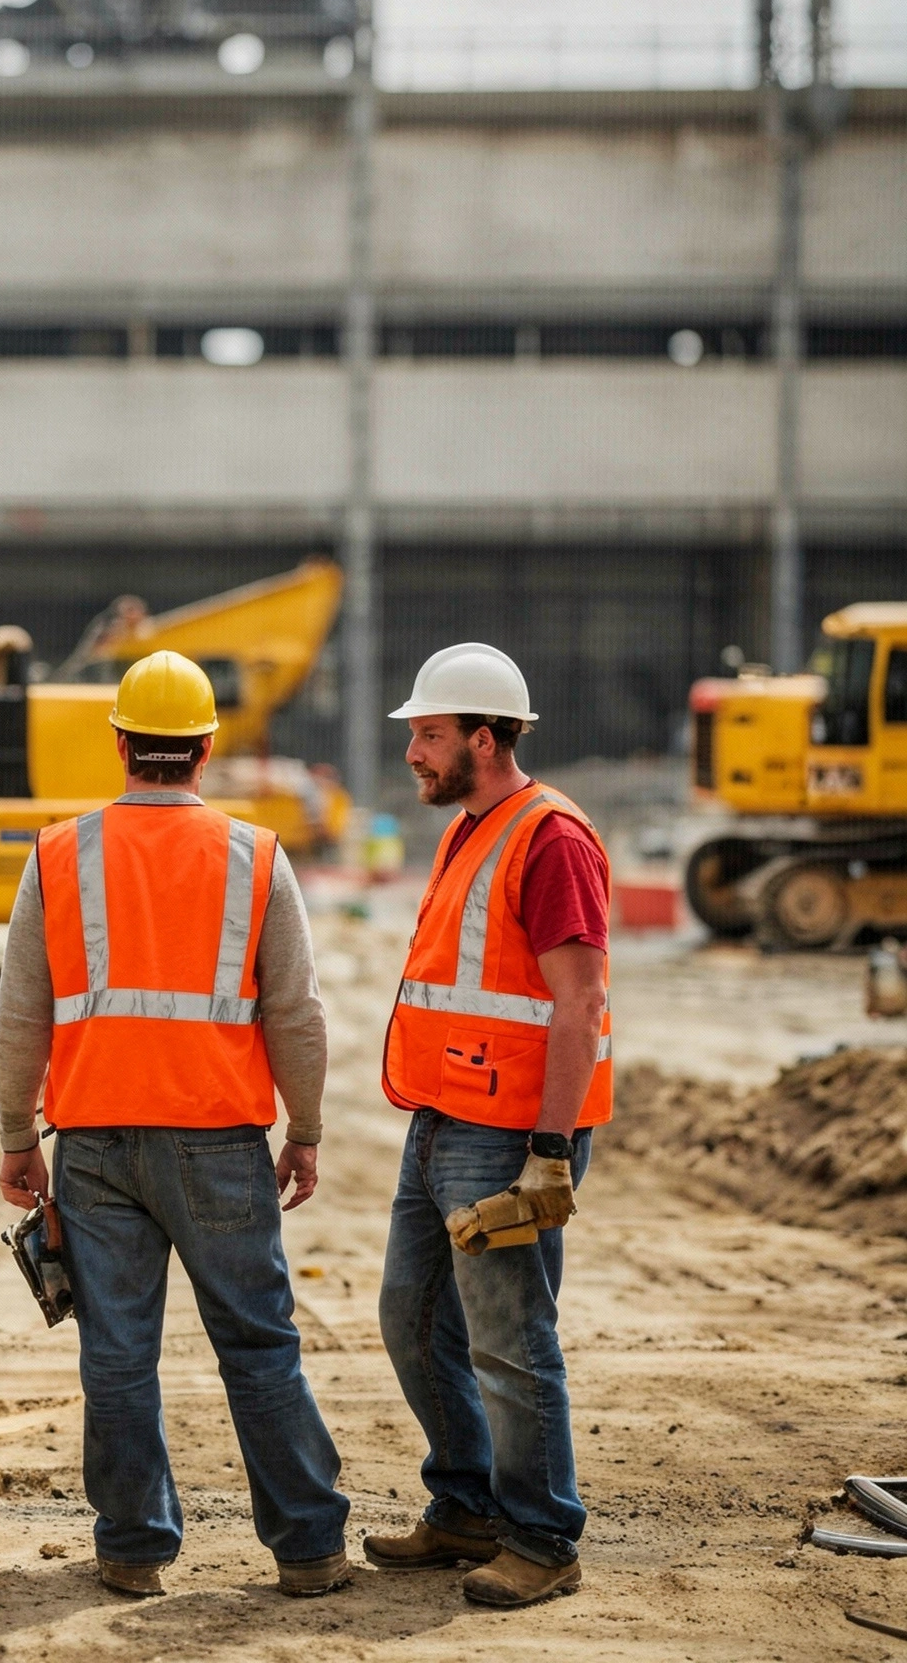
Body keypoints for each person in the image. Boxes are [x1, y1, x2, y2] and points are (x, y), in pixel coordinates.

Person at [0, 649, 352, 1600]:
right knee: (260, 1347)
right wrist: (305, 1128)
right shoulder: (256, 857)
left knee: (116, 1354)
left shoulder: (60, 853)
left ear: (119, 744)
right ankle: (310, 1550)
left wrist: (16, 1137)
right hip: (219, 1145)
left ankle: (133, 1549)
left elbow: (21, 1012)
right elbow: (297, 1013)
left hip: (95, 1146)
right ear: (205, 747)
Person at [370, 642, 612, 1610]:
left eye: (426, 734)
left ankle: (542, 1533)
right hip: (439, 1118)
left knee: (509, 1340)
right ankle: (464, 1503)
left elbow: (578, 999)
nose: (412, 753)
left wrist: (548, 1149)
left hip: (507, 1136)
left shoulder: (550, 837)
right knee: (412, 1315)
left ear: (482, 735)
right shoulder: (471, 825)